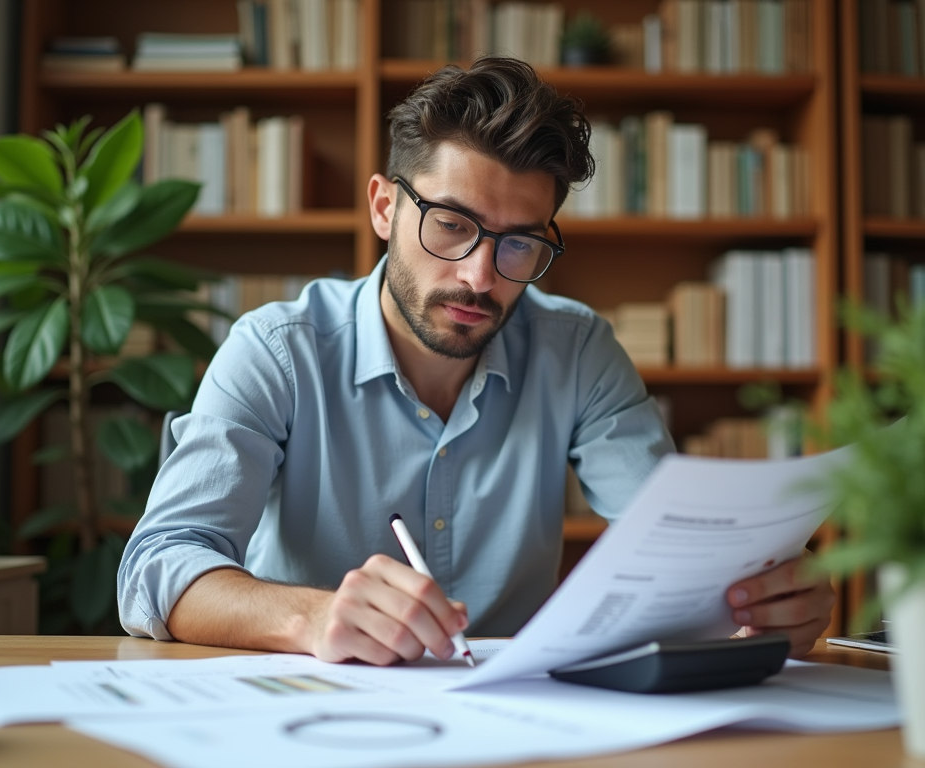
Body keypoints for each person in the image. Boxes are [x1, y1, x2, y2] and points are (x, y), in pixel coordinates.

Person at [118, 56, 835, 664]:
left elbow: (678, 551)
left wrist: (764, 603)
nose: (480, 276)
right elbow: (157, 568)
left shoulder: (578, 352)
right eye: (452, 225)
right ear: (382, 208)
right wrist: (312, 617)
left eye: (519, 243)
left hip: (515, 726)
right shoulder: (277, 350)